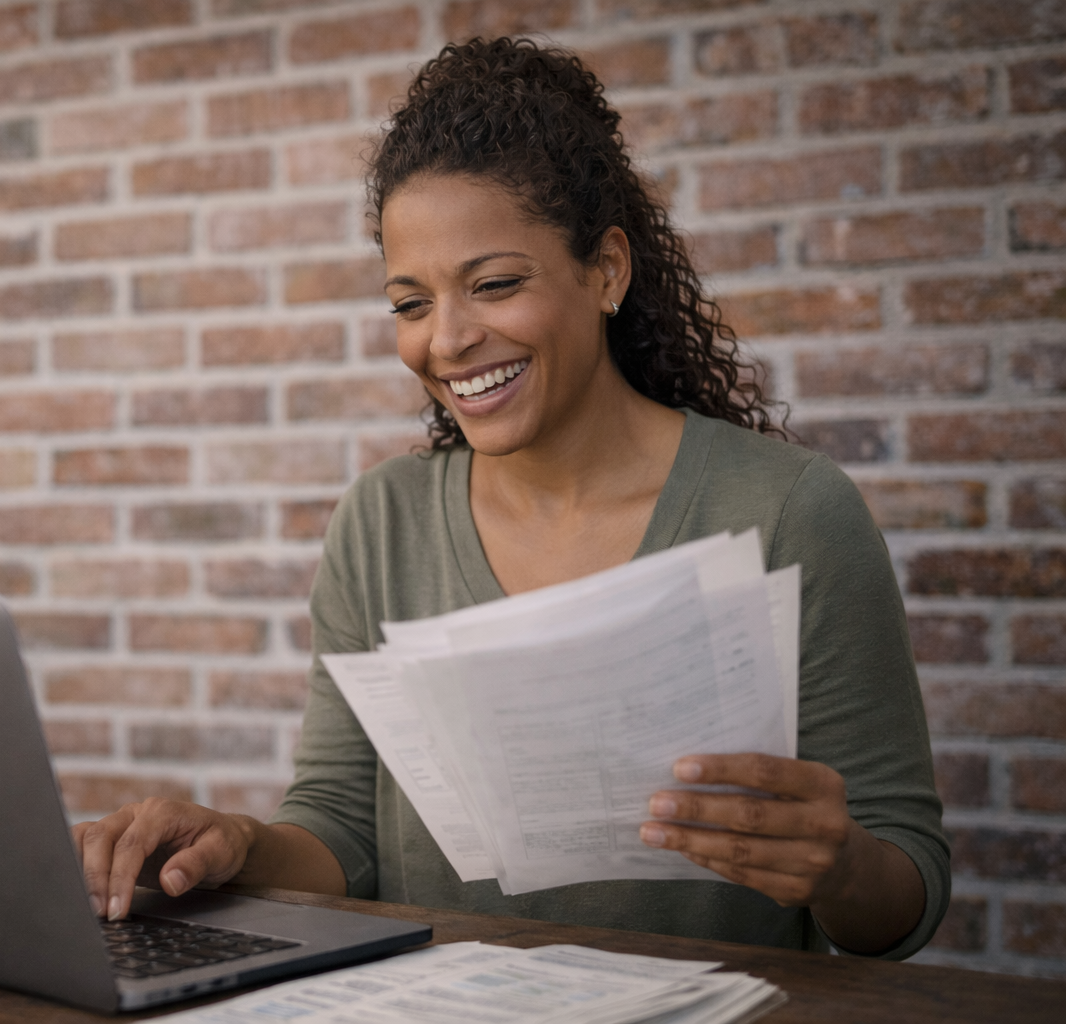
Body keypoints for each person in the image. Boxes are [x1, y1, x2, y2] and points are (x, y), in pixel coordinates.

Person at [72, 38, 949, 960]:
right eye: (410, 305)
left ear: (606, 270)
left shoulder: (790, 511)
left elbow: (907, 892)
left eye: (494, 285)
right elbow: (345, 834)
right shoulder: (383, 524)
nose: (447, 340)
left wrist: (840, 868)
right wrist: (236, 846)